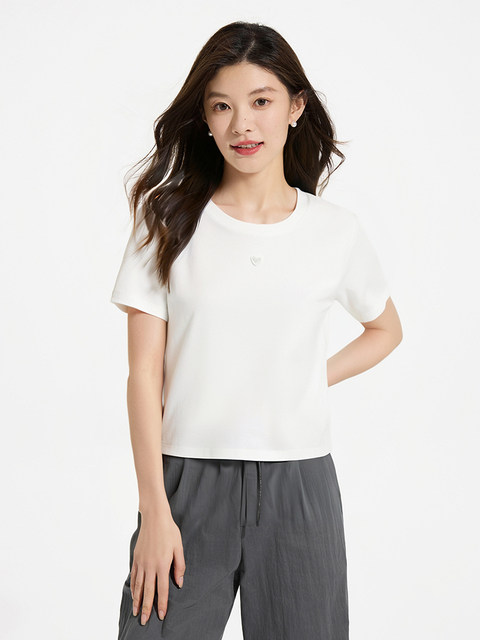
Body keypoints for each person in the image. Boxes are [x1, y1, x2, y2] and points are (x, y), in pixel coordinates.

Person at [110, 20, 403, 640]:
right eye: (222, 106)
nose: (242, 124)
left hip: (300, 488)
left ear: (296, 107)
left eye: (261, 101)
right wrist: (153, 510)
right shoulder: (168, 220)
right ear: (205, 118)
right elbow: (142, 376)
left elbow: (385, 329)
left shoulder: (334, 231)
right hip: (186, 484)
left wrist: (308, 377)